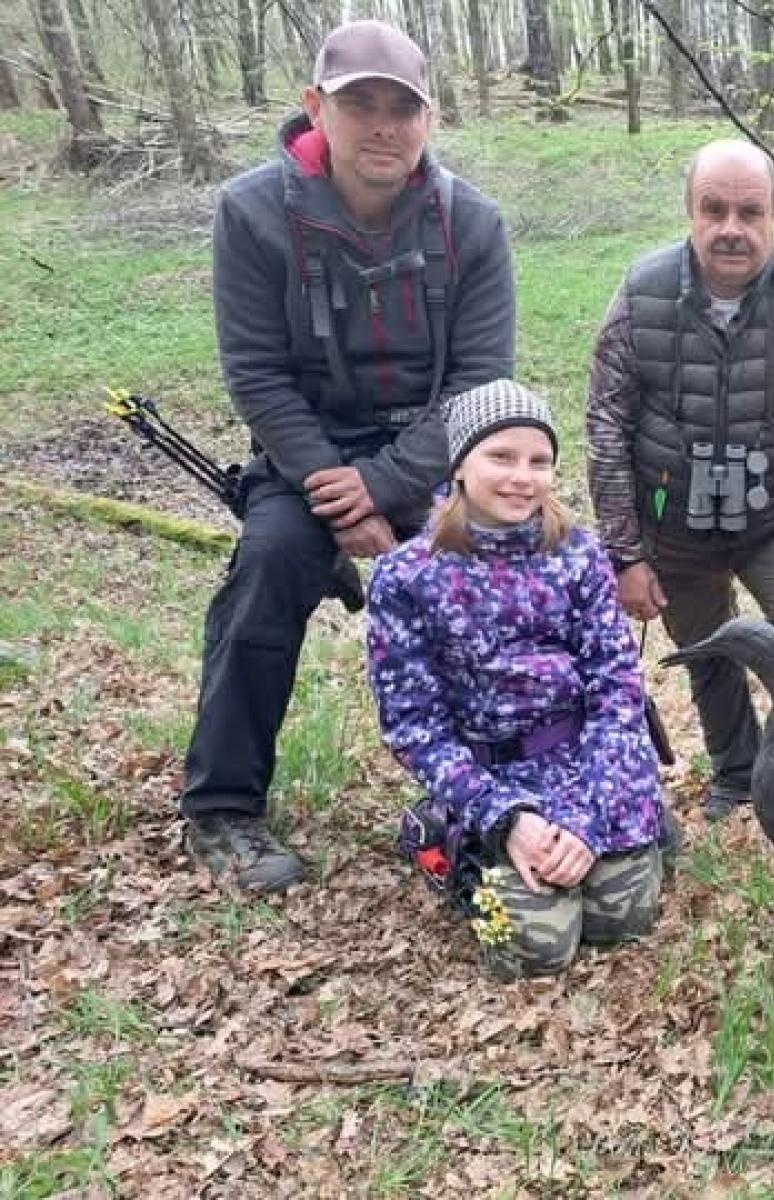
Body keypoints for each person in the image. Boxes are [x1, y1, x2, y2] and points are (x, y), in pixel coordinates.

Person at [178, 20, 516, 894]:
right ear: (314, 108)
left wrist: (380, 486)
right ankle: (221, 810)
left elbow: (479, 388)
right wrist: (335, 489)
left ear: (428, 120)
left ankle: (525, 788)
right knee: (266, 569)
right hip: (305, 457)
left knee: (511, 576)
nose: (381, 126)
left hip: (433, 456)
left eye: (401, 108)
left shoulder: (473, 224)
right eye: (358, 104)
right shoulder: (252, 213)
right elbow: (254, 372)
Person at [586, 138, 774, 821]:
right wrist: (626, 553)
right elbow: (605, 428)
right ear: (690, 213)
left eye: (750, 212)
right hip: (672, 519)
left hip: (772, 515)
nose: (731, 229)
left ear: (773, 218)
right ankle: (737, 774)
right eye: (714, 210)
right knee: (707, 650)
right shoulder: (639, 291)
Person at [366, 381, 665, 980]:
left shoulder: (580, 556)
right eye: (500, 457)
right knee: (540, 947)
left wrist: (587, 815)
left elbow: (617, 695)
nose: (521, 478)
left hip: (586, 761)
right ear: (458, 463)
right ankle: (447, 842)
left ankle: (636, 834)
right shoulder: (406, 576)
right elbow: (413, 725)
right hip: (492, 775)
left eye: (539, 461)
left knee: (621, 917)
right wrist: (507, 819)